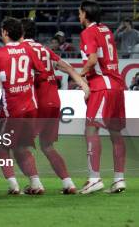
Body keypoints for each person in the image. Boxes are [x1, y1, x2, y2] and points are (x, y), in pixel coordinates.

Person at [21, 18, 90, 194]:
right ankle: (68, 183)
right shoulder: (45, 49)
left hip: (38, 102)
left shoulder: (22, 50)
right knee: (47, 146)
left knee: (19, 146)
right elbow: (68, 68)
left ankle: (36, 184)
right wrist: (83, 85)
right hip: (54, 101)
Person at [0, 18, 48, 195]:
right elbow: (41, 71)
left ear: (5, 32)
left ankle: (13, 185)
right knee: (21, 147)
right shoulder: (28, 50)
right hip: (31, 108)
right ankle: (36, 183)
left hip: (12, 110)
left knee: (1, 147)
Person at [77, 0, 127, 194]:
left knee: (90, 130)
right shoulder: (106, 29)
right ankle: (119, 179)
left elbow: (92, 59)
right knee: (115, 133)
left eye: (80, 12)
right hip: (117, 85)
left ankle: (94, 178)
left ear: (85, 13)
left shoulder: (87, 32)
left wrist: (78, 76)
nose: (79, 15)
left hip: (102, 86)